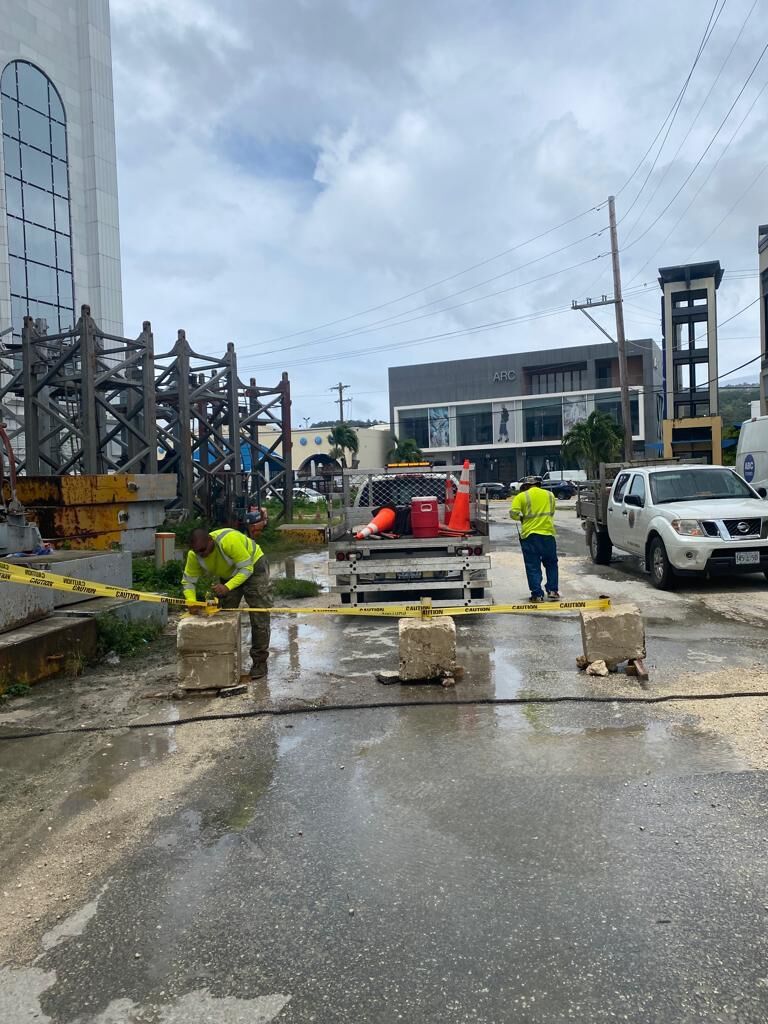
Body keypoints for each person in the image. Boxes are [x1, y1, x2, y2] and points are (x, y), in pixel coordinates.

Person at [182, 521, 271, 679]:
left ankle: (260, 662)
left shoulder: (229, 541)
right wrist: (192, 601)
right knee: (223, 615)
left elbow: (247, 569)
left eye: (203, 550)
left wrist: (228, 587)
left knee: (259, 614)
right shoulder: (194, 555)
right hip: (230, 573)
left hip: (253, 566)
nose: (201, 554)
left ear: (211, 540)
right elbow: (188, 581)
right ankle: (224, 661)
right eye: (197, 552)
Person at [509, 476, 560, 602]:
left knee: (532, 565)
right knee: (551, 563)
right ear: (539, 485)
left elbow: (513, 513)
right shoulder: (550, 495)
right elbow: (552, 512)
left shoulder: (521, 497)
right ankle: (553, 590)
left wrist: (521, 518)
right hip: (548, 534)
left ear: (525, 486)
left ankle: (537, 595)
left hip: (530, 536)